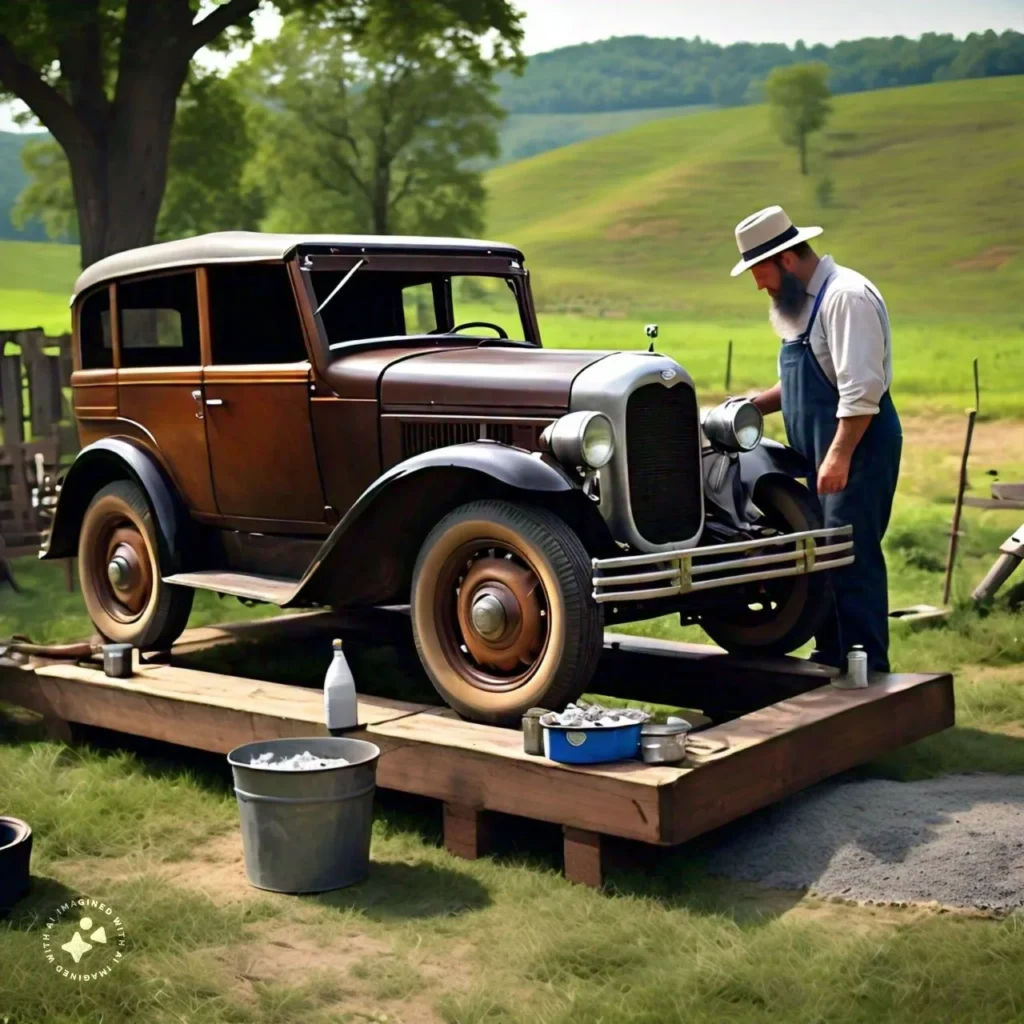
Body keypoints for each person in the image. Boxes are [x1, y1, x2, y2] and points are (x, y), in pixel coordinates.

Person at [730, 204, 902, 673]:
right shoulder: (804, 304)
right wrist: (754, 405)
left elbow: (861, 390)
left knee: (850, 554)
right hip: (820, 453)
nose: (757, 284)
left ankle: (867, 666)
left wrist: (839, 457)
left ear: (786, 259)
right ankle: (832, 657)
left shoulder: (846, 297)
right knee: (821, 555)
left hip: (857, 448)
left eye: (759, 271)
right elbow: (806, 380)